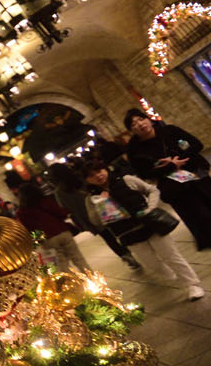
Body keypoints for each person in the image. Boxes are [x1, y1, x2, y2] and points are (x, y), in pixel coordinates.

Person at [81, 161, 204, 301]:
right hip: (127, 233)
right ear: (87, 180)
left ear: (105, 169)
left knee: (171, 256)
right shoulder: (91, 199)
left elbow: (152, 190)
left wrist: (150, 208)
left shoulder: (126, 179)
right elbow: (95, 221)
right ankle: (178, 277)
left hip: (150, 224)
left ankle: (192, 285)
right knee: (152, 264)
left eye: (99, 170)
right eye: (91, 175)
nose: (98, 176)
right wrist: (102, 205)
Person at [124, 109, 211, 250]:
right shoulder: (134, 150)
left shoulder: (169, 131)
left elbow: (197, 144)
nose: (139, 124)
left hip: (196, 175)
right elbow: (143, 173)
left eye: (141, 119)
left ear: (148, 119)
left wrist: (179, 157)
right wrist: (169, 166)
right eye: (134, 124)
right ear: (131, 130)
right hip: (174, 188)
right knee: (199, 216)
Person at [48, 162, 140, 269]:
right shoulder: (79, 178)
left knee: (108, 238)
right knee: (118, 231)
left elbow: (65, 208)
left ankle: (126, 256)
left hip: (87, 217)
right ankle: (132, 249)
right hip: (102, 209)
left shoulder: (59, 192)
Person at [12, 179, 89, 271]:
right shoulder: (45, 201)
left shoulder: (21, 212)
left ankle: (72, 283)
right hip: (62, 231)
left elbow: (29, 230)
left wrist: (37, 242)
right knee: (78, 258)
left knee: (62, 265)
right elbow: (61, 213)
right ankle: (93, 280)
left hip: (47, 239)